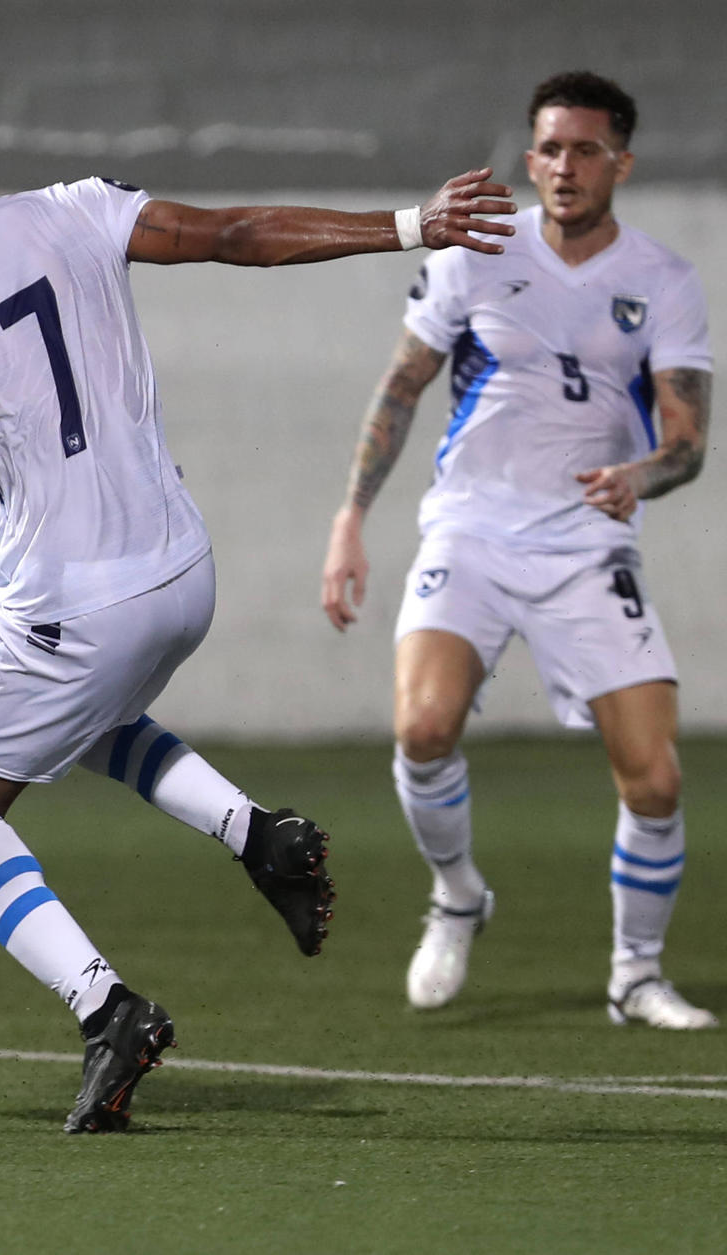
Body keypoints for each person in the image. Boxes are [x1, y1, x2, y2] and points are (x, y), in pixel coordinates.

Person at [0, 81, 515, 1132]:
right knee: (74, 719)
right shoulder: (80, 205)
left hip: (73, 596)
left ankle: (109, 1010)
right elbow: (237, 233)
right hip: (182, 571)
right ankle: (257, 835)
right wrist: (410, 224)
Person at [320, 72, 715, 1030]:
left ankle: (635, 975)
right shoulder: (475, 254)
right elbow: (403, 385)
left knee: (655, 778)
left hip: (588, 544)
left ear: (621, 161)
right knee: (421, 727)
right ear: (528, 158)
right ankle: (458, 893)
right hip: (472, 530)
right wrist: (349, 518)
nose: (563, 167)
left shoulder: (662, 280)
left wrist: (644, 476)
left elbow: (687, 441)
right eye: (548, 148)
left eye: (585, 149)